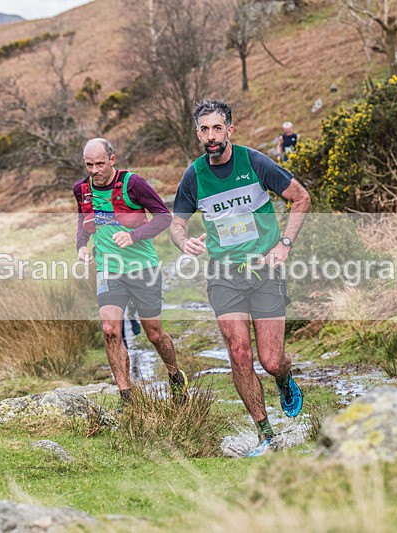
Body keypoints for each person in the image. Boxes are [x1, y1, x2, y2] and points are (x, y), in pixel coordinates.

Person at [171, 99, 311, 456]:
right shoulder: (194, 175)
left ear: (229, 130)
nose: (211, 136)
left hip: (265, 271)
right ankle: (266, 435)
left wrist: (284, 245)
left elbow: (300, 198)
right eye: (204, 129)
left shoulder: (254, 162)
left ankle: (284, 377)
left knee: (270, 359)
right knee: (238, 353)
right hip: (223, 274)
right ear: (197, 133)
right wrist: (183, 241)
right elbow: (177, 222)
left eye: (217, 128)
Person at [73, 138, 187, 407]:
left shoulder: (132, 184)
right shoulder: (82, 190)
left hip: (142, 267)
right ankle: (128, 400)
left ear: (113, 160)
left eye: (100, 163)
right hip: (108, 269)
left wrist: (134, 236)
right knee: (110, 329)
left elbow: (163, 217)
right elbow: (83, 220)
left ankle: (175, 375)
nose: (94, 170)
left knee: (155, 334)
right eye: (89, 164)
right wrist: (81, 246)